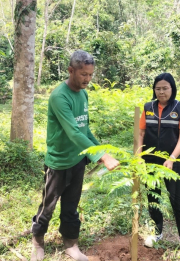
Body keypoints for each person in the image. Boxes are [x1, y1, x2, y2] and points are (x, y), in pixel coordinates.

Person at [30, 50, 119, 261]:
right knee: (47, 207)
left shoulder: (83, 94)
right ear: (71, 70)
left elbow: (84, 129)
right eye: (83, 74)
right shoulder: (59, 96)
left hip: (78, 160)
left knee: (71, 206)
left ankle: (71, 245)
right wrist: (103, 157)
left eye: (90, 75)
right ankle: (37, 242)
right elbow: (73, 132)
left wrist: (103, 151)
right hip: (58, 162)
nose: (87, 79)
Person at [138, 73, 180, 261]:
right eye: (158, 88)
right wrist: (139, 156)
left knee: (178, 201)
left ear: (172, 88)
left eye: (165, 88)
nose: (161, 91)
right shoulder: (148, 108)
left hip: (172, 162)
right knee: (153, 197)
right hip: (150, 161)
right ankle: (157, 233)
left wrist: (172, 158)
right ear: (154, 90)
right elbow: (140, 133)